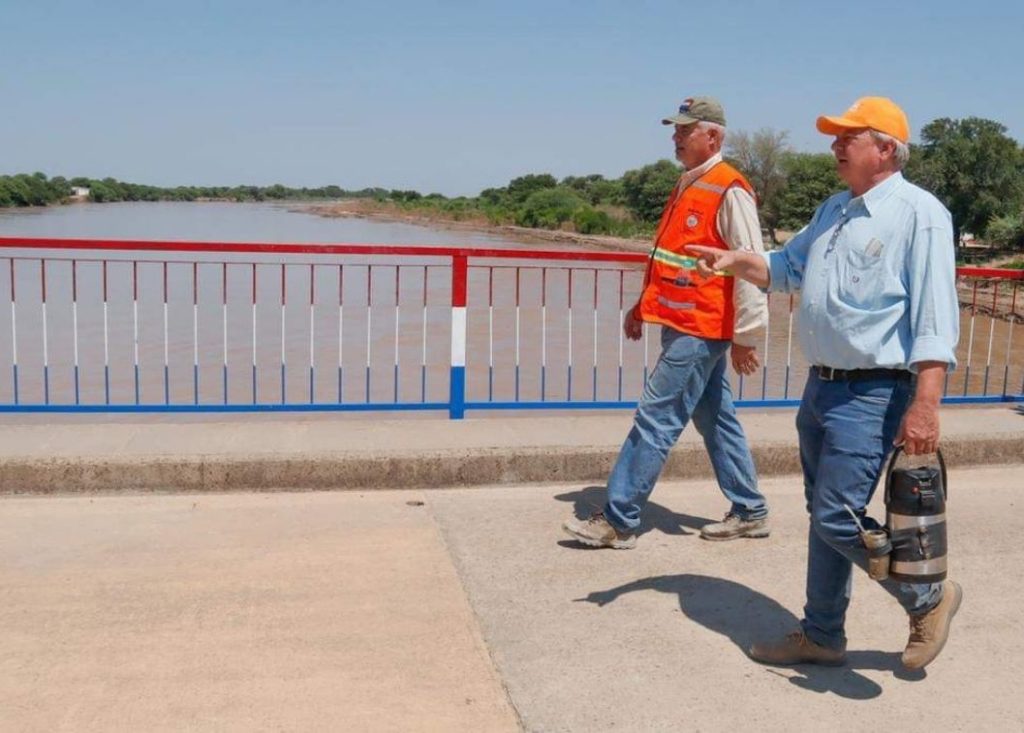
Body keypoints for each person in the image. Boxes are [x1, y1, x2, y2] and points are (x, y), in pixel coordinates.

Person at [688, 96, 962, 670]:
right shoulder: (835, 209)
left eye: (848, 137)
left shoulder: (920, 213)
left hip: (875, 391)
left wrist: (925, 405)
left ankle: (928, 598)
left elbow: (935, 322)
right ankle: (822, 634)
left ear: (885, 149)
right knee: (827, 517)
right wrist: (733, 259)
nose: (835, 146)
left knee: (839, 517)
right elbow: (785, 268)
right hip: (822, 388)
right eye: (836, 137)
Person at [562, 96, 769, 549]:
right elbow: (668, 258)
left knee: (656, 417)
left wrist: (746, 336)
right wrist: (642, 307)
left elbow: (751, 265)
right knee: (716, 420)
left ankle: (619, 518)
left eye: (685, 129)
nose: (675, 137)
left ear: (712, 135)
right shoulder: (688, 184)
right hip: (681, 323)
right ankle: (750, 509)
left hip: (701, 329)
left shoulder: (729, 187)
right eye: (675, 129)